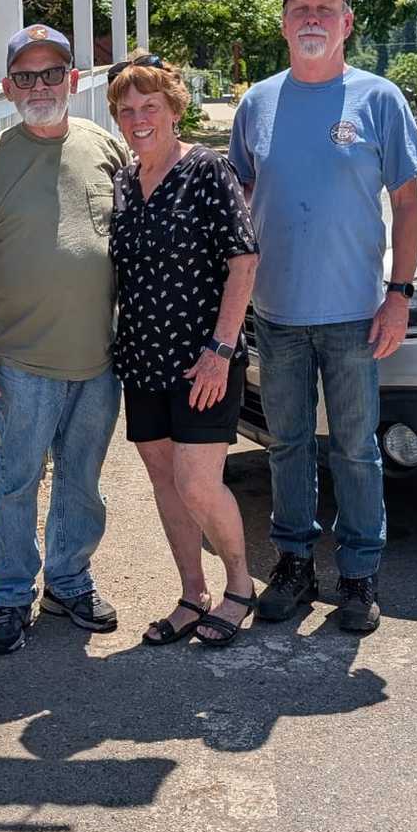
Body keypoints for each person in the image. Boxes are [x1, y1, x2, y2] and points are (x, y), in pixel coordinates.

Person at [229, 0, 417, 635]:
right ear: (283, 25)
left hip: (354, 315)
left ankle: (359, 575)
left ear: (347, 24)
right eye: (299, 8)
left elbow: (406, 205)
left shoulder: (378, 100)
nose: (311, 17)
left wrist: (399, 293)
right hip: (276, 313)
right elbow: (242, 200)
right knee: (285, 444)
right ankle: (291, 565)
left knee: (354, 449)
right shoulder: (256, 103)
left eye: (325, 7)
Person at [0, 24, 128, 656]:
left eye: (52, 72)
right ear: (7, 88)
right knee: (17, 481)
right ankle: (10, 597)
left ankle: (70, 580)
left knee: (83, 479)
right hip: (21, 363)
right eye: (25, 76)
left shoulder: (105, 148)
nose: (40, 86)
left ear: (73, 80)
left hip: (98, 360)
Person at [107, 56, 261, 647]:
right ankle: (192, 594)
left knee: (198, 484)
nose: (139, 118)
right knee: (166, 484)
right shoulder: (124, 181)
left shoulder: (206, 170)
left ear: (175, 110)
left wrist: (222, 348)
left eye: (151, 107)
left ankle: (240, 586)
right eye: (128, 110)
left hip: (203, 360)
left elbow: (242, 260)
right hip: (142, 361)